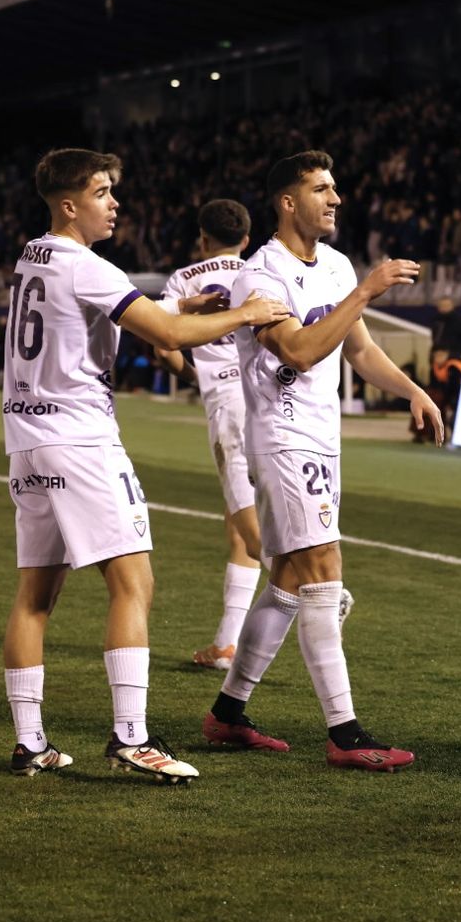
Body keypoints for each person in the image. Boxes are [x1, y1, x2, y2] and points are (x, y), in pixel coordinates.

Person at [0, 148, 289, 781]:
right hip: (81, 438)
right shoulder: (88, 266)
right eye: (102, 192)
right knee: (134, 583)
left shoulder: (30, 255)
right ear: (69, 205)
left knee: (34, 595)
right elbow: (167, 337)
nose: (115, 202)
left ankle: (30, 742)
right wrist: (244, 313)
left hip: (25, 439)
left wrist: (179, 308)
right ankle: (131, 739)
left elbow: (109, 317)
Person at [201, 150, 444, 771]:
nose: (335, 199)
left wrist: (413, 390)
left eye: (335, 188)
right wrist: (367, 289)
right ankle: (345, 733)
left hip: (320, 438)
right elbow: (302, 351)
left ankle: (227, 715)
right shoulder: (262, 275)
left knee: (287, 578)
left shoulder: (334, 264)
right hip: (283, 438)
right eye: (321, 188)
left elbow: (357, 350)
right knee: (322, 567)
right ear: (288, 202)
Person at [157, 199, 357, 674]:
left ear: (202, 239)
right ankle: (227, 641)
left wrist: (194, 374)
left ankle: (322, 590)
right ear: (245, 237)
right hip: (268, 392)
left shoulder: (184, 279)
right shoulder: (260, 269)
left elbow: (166, 343)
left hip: (230, 406)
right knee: (238, 523)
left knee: (252, 531)